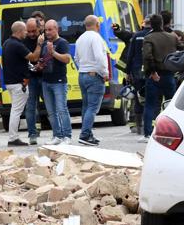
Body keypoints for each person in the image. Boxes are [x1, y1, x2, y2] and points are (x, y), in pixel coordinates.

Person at [141, 13, 180, 141]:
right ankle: (173, 133)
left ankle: (148, 132)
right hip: (169, 73)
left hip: (154, 75)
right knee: (170, 104)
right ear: (162, 23)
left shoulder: (149, 38)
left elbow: (147, 56)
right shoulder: (172, 37)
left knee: (150, 104)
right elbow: (183, 48)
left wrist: (152, 72)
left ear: (151, 24)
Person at [74, 14, 111, 146]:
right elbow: (100, 58)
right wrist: (105, 72)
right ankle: (84, 135)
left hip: (82, 74)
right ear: (97, 25)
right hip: (94, 76)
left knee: (86, 106)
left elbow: (76, 59)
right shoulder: (96, 38)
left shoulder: (80, 39)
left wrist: (83, 68)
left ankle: (88, 134)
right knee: (93, 108)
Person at [36, 20, 73, 144]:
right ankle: (57, 135)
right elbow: (42, 59)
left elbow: (67, 59)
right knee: (51, 112)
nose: (47, 32)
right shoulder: (45, 43)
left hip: (59, 81)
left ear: (57, 29)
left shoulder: (62, 42)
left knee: (62, 109)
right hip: (46, 81)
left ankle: (67, 136)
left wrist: (53, 53)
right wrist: (40, 65)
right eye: (46, 30)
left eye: (50, 29)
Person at [114, 20, 150, 132]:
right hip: (142, 71)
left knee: (136, 97)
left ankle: (136, 124)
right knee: (141, 97)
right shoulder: (136, 36)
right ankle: (136, 124)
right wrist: (118, 30)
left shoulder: (136, 36)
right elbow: (124, 34)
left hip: (135, 71)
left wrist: (128, 71)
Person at [1, 20, 32, 146]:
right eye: (25, 30)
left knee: (15, 110)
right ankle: (13, 138)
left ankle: (13, 137)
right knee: (16, 111)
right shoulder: (17, 45)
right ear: (19, 31)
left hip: (10, 82)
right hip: (19, 84)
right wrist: (40, 45)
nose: (27, 33)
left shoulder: (7, 43)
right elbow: (33, 57)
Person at [23, 18, 45, 145]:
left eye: (34, 31)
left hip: (44, 77)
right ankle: (32, 134)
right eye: (29, 31)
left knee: (50, 105)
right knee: (31, 107)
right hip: (30, 78)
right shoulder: (24, 41)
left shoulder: (44, 38)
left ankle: (59, 134)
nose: (31, 34)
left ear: (39, 28)